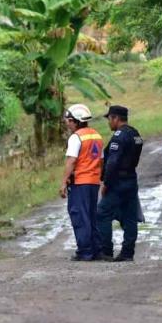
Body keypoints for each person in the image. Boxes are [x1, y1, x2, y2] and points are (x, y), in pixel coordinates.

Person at [97, 105, 143, 262]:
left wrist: (106, 183)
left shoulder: (119, 136)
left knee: (102, 213)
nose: (109, 123)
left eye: (109, 119)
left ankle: (106, 250)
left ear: (115, 118)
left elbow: (112, 162)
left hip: (117, 182)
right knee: (130, 217)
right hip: (131, 179)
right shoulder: (135, 134)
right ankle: (128, 252)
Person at [59, 104, 104, 261]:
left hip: (80, 183)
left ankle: (85, 251)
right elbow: (101, 160)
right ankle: (96, 250)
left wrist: (64, 182)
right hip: (93, 182)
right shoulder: (96, 136)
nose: (68, 124)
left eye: (69, 121)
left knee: (80, 216)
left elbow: (71, 161)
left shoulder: (76, 137)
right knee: (91, 216)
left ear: (75, 121)